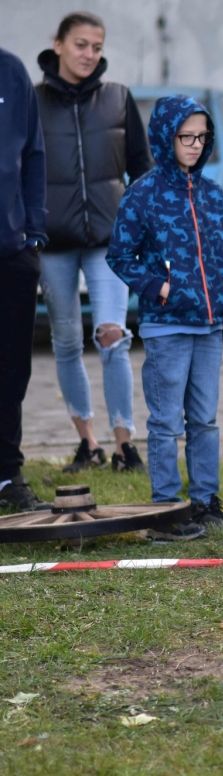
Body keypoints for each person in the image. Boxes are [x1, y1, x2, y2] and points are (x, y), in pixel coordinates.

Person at [107, 95, 223, 540]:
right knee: (166, 421)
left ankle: (205, 502)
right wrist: (160, 288)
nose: (195, 145)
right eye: (186, 137)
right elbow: (120, 256)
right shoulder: (142, 193)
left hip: (209, 325)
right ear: (166, 137)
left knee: (204, 418)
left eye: (202, 138)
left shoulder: (211, 193)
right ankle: (167, 510)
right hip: (166, 326)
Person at [35, 11, 153, 473]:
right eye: (81, 44)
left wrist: (142, 226)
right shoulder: (33, 100)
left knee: (112, 336)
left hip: (109, 240)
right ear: (59, 44)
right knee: (66, 341)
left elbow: (141, 167)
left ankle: (125, 444)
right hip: (54, 241)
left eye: (97, 47)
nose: (89, 54)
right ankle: (88, 442)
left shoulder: (118, 99)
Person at [0, 45, 52, 513]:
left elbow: (34, 154)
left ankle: (6, 475)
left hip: (12, 253)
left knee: (12, 369)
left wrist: (33, 234)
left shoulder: (11, 71)